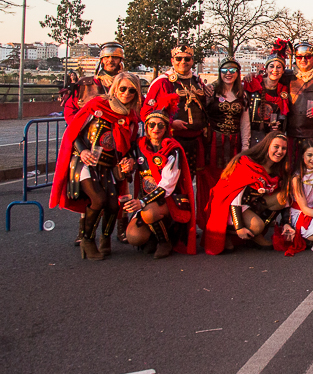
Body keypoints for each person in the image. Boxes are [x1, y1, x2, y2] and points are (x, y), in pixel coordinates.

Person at [50, 73, 143, 260]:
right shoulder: (96, 106)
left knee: (112, 203)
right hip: (84, 161)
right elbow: (73, 132)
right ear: (115, 88)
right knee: (98, 199)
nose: (126, 93)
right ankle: (87, 239)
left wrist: (130, 160)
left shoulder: (131, 116)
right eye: (123, 88)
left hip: (108, 165)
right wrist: (83, 151)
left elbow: (131, 145)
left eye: (132, 90)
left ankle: (105, 239)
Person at [120, 109, 197, 259]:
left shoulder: (172, 149)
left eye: (161, 125)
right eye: (152, 125)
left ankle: (165, 241)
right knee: (133, 236)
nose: (156, 129)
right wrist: (127, 167)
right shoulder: (139, 145)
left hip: (169, 199)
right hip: (147, 199)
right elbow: (130, 169)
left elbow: (167, 186)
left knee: (149, 212)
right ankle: (154, 237)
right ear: (147, 127)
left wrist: (141, 202)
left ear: (166, 128)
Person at [204, 132, 294, 255]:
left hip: (252, 203)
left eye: (283, 148)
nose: (280, 151)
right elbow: (235, 196)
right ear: (267, 145)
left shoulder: (279, 168)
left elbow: (285, 197)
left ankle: (255, 235)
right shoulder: (246, 162)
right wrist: (239, 227)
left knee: (283, 196)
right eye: (276, 147)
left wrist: (286, 223)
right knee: (257, 226)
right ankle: (228, 232)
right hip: (229, 206)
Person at [143, 45, 209, 187]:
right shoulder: (162, 82)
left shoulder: (197, 82)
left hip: (195, 141)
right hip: (171, 141)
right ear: (172, 60)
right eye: (178, 59)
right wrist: (170, 123)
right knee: (169, 182)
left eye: (187, 59)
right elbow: (147, 114)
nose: (183, 62)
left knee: (188, 182)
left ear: (192, 61)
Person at [202, 57, 250, 229]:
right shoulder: (211, 92)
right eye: (224, 70)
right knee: (213, 184)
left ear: (238, 73)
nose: (228, 74)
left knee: (231, 184)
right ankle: (212, 225)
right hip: (214, 144)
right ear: (219, 72)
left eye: (232, 70)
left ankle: (228, 226)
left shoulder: (242, 94)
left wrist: (245, 147)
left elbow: (245, 123)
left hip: (234, 144)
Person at [62, 41, 126, 122]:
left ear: (120, 60)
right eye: (107, 57)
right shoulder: (84, 85)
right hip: (90, 131)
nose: (110, 60)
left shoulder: (129, 84)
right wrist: (78, 125)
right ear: (101, 60)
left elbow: (139, 107)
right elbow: (70, 108)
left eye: (115, 57)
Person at [243, 40, 291, 145]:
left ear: (283, 71)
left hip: (271, 139)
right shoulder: (254, 83)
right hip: (250, 137)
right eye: (272, 66)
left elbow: (283, 116)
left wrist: (278, 125)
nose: (275, 70)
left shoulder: (283, 91)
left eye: (279, 67)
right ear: (266, 69)